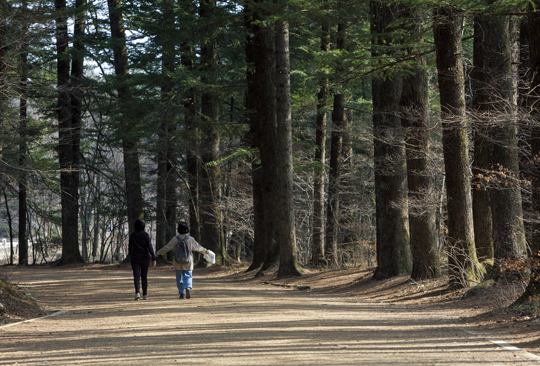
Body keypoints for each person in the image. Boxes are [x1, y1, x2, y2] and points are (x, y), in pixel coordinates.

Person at [156, 221, 208, 299]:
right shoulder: (190, 239)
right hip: (188, 261)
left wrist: (159, 252)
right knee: (188, 276)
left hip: (177, 261)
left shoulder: (175, 239)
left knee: (179, 277)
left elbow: (167, 247)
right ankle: (188, 287)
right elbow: (198, 247)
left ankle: (181, 293)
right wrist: (205, 251)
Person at [128, 218, 156, 300]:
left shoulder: (132, 235)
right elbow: (149, 247)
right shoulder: (146, 235)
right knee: (144, 276)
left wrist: (131, 255)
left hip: (135, 257)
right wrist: (153, 257)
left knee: (136, 275)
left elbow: (130, 248)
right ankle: (145, 294)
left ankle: (137, 292)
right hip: (144, 257)